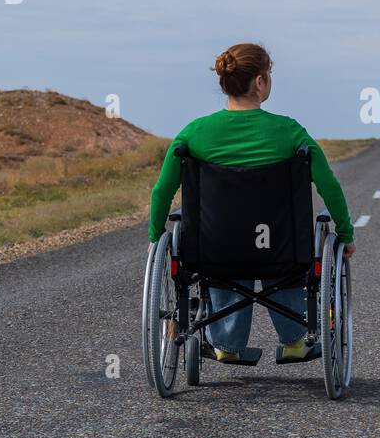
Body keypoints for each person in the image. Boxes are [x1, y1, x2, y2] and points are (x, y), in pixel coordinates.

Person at [148, 42, 355, 364]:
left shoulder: (195, 133)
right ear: (259, 81)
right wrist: (345, 233)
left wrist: (153, 236)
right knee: (281, 257)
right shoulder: (289, 131)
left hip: (214, 249)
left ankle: (226, 345)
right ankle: (295, 342)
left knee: (226, 261)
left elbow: (162, 191)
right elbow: (329, 186)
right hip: (280, 249)